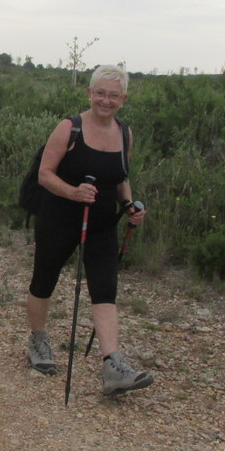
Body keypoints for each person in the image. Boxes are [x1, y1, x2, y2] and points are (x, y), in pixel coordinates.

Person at [25, 64, 154, 396]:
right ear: (89, 93)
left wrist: (129, 206)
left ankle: (113, 364)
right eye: (100, 93)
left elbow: (121, 177)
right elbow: (45, 174)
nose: (105, 101)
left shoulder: (125, 133)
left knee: (105, 287)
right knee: (44, 280)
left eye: (113, 95)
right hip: (59, 216)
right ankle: (37, 341)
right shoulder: (70, 128)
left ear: (123, 99)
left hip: (101, 223)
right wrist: (73, 192)